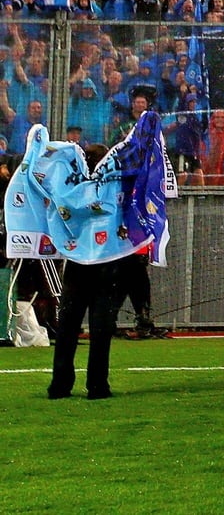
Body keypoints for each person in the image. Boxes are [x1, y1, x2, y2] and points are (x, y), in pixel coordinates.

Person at [48, 145, 124, 400]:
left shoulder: (70, 191)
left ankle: (60, 384)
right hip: (105, 265)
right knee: (101, 330)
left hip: (76, 265)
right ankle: (97, 385)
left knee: (67, 328)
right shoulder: (112, 189)